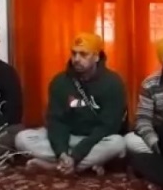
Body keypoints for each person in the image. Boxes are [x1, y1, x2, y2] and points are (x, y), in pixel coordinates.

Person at [15, 33, 126, 175]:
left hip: (96, 140)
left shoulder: (113, 83)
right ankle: (76, 165)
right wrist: (61, 152)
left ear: (97, 57)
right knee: (22, 139)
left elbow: (108, 126)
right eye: (74, 53)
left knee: (118, 143)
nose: (76, 59)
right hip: (68, 138)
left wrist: (76, 155)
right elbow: (56, 121)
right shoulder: (60, 82)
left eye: (83, 54)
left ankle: (55, 167)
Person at [124, 33, 163, 156]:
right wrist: (155, 143)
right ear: (162, 61)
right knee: (129, 141)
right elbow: (143, 119)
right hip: (159, 135)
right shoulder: (150, 84)